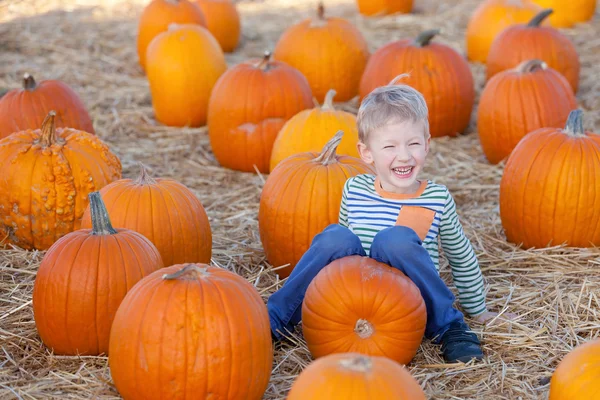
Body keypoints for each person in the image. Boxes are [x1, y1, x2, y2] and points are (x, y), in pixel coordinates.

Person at [267, 79, 505, 363]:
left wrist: (477, 308)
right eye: (390, 146)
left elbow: (459, 254)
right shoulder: (354, 189)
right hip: (355, 298)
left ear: (427, 145)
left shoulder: (437, 198)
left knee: (394, 241)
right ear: (367, 152)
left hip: (405, 302)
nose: (403, 155)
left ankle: (449, 326)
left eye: (413, 143)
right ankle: (276, 318)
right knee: (336, 237)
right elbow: (343, 251)